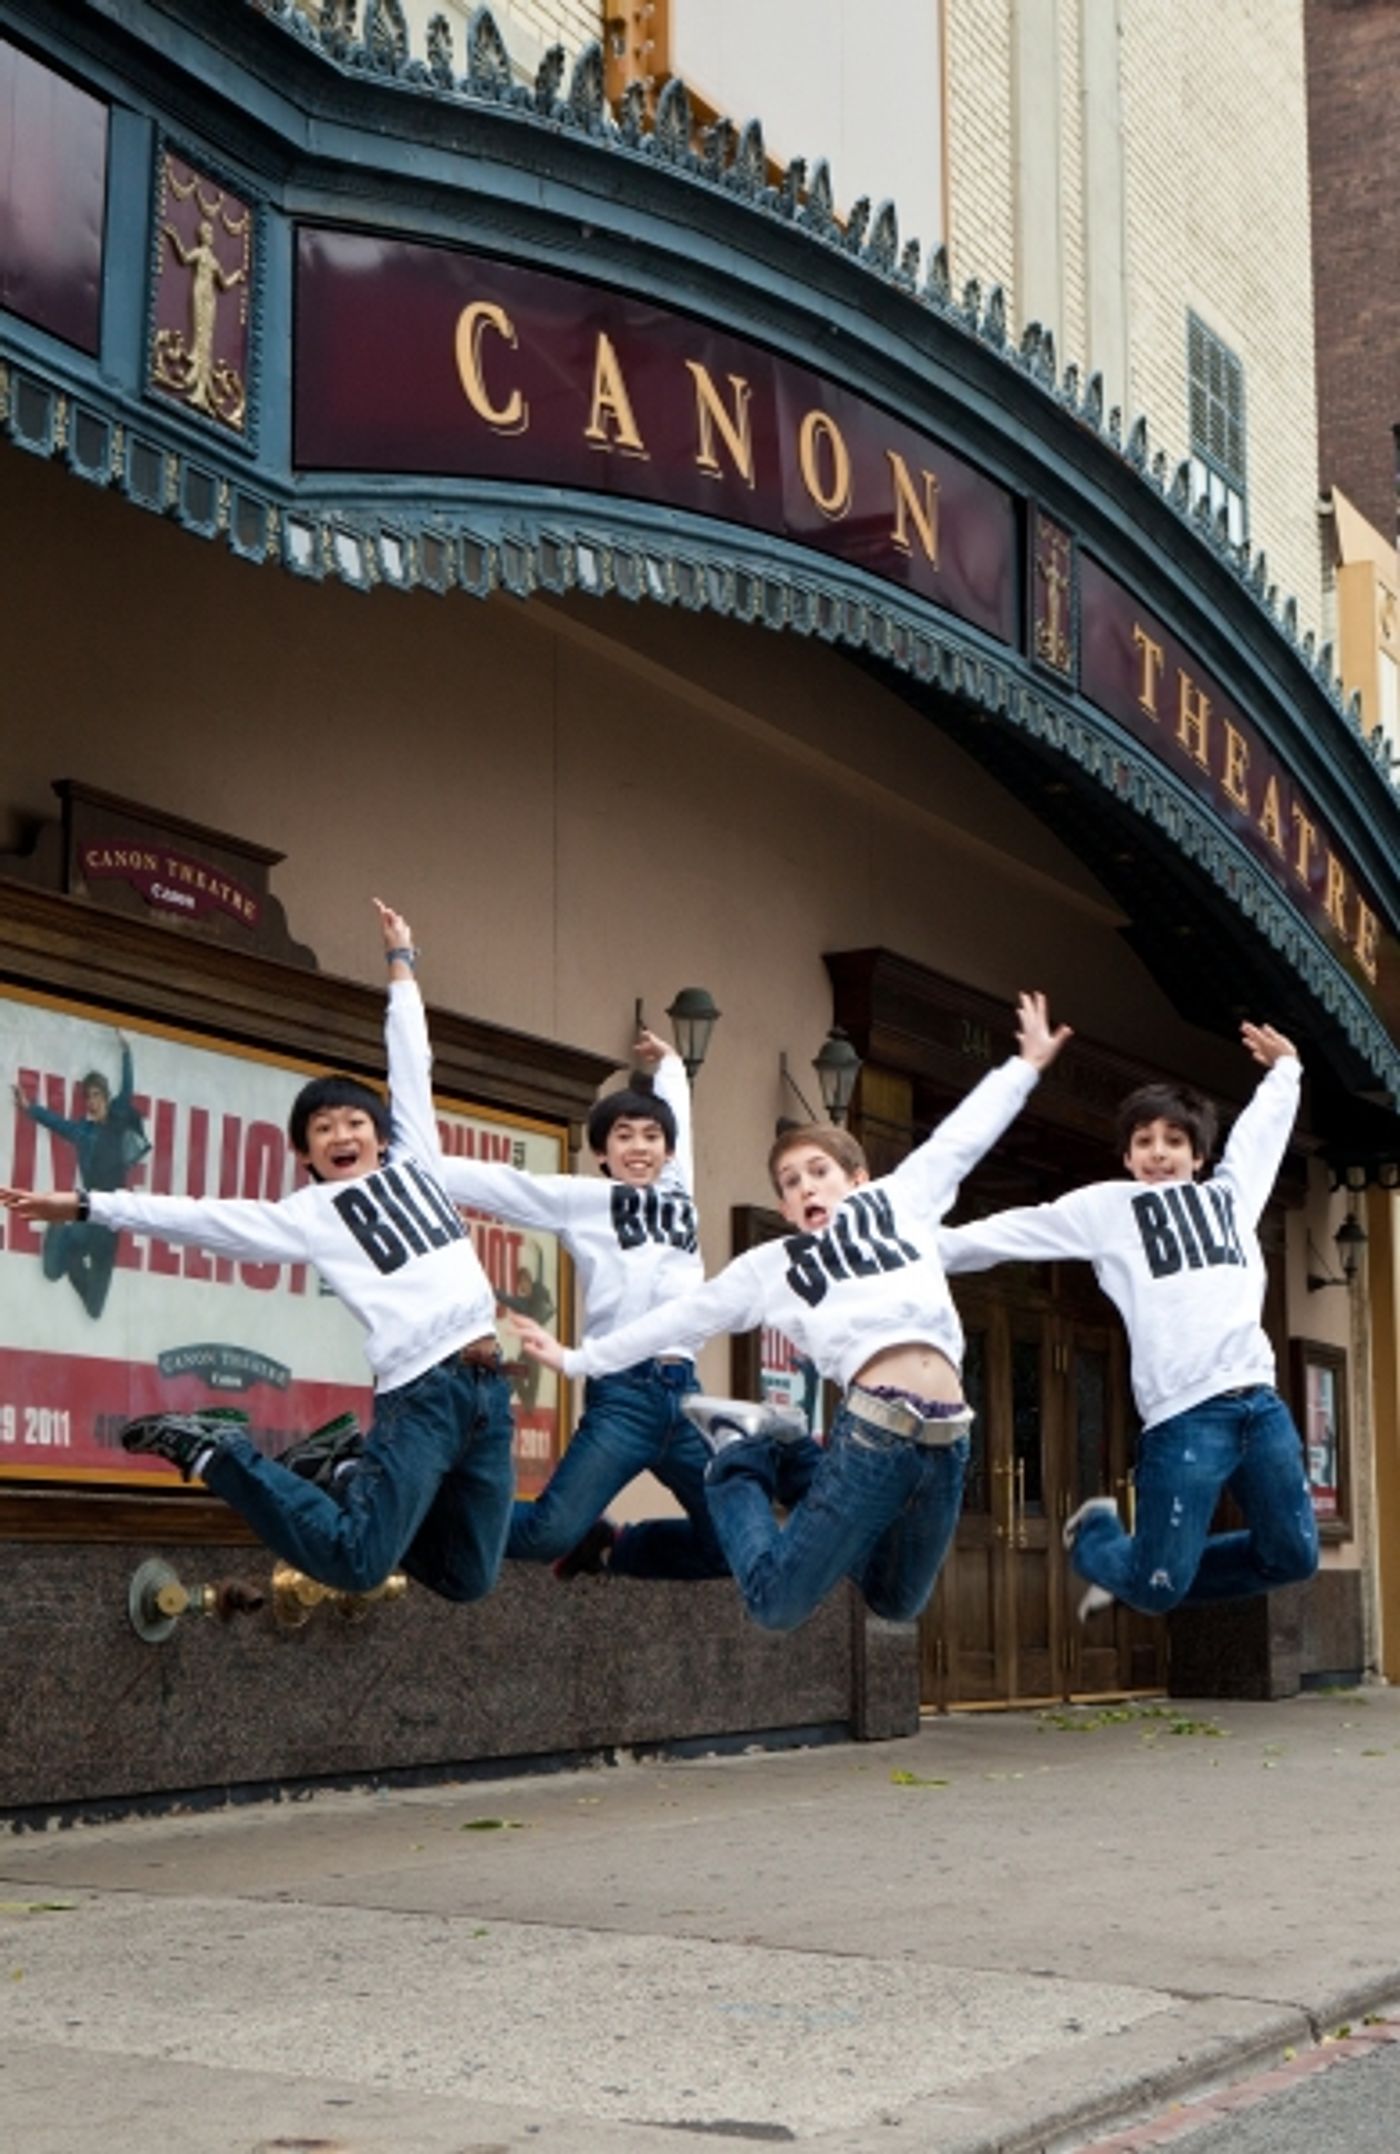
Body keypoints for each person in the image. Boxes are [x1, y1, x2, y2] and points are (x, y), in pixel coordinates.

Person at [0, 902, 515, 1603]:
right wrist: (89, 1203)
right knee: (359, 1562)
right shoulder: (309, 1216)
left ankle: (336, 1471)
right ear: (304, 1154)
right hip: (422, 1394)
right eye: (322, 1128)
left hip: (490, 1388)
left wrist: (402, 964)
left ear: (382, 1136)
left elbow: (411, 1058)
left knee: (468, 1575)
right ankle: (218, 1448)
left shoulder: (416, 1159)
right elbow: (198, 1220)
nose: (342, 1133)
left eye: (355, 1122)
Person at [514, 993, 1069, 1632]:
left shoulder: (901, 1202)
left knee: (894, 1599)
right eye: (789, 1183)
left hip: (950, 1439)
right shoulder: (774, 1265)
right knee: (774, 1603)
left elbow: (960, 1141)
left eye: (817, 1171)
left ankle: (786, 1451)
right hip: (873, 1433)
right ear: (783, 1209)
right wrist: (581, 1358)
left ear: (856, 1179)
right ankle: (740, 1456)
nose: (805, 1187)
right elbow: (680, 1319)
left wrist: (1024, 1067)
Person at [939, 1021, 1318, 1621]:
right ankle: (1098, 1537)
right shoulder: (1108, 1208)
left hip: (1261, 1407)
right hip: (1185, 1417)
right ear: (1127, 1156)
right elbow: (1010, 1232)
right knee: (1159, 1589)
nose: (1159, 1152)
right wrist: (914, 1251)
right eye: (1144, 1141)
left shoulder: (1233, 1197)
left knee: (1293, 1558)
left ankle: (1137, 1573)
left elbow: (1262, 1134)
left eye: (1174, 1140)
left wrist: (1286, 1069)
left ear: (1198, 1155)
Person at [434, 1028, 732, 1582]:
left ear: (666, 1152)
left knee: (735, 1544)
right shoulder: (582, 1199)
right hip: (622, 1398)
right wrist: (417, 1166)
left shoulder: (678, 1190)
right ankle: (423, 1518)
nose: (639, 1147)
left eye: (650, 1137)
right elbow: (505, 1185)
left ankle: (614, 1548)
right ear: (602, 1153)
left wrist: (670, 1069)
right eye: (623, 1137)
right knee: (546, 1533)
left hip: (684, 1398)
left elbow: (681, 1129)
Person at [12, 1031, 149, 1319]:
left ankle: (72, 1255)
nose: (92, 1102)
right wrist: (30, 1109)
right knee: (50, 1271)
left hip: (112, 1223)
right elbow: (57, 1123)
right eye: (88, 1097)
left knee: (95, 1309)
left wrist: (126, 1051)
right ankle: (58, 1230)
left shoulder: (118, 1117)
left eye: (97, 1095)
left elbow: (128, 1089)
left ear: (106, 1098)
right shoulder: (83, 1132)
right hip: (91, 1212)